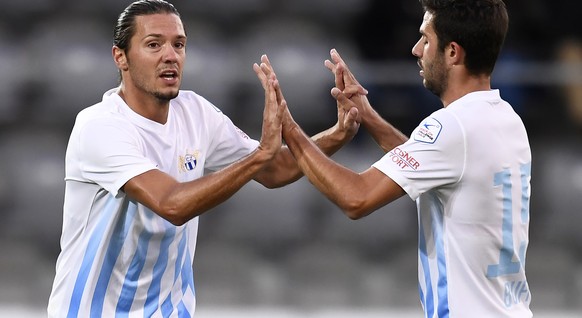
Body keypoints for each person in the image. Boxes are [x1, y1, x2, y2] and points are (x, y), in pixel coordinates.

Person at [46, 0, 359, 317]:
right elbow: (172, 204)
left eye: (178, 44)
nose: (171, 55)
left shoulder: (196, 111)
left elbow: (274, 169)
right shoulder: (100, 126)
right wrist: (259, 156)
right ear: (120, 57)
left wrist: (338, 134)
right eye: (154, 44)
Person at [257, 0, 533, 316]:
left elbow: (356, 198)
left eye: (426, 40)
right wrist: (370, 117)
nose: (417, 50)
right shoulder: (506, 120)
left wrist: (289, 128)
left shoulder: (451, 126)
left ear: (453, 52)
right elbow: (435, 165)